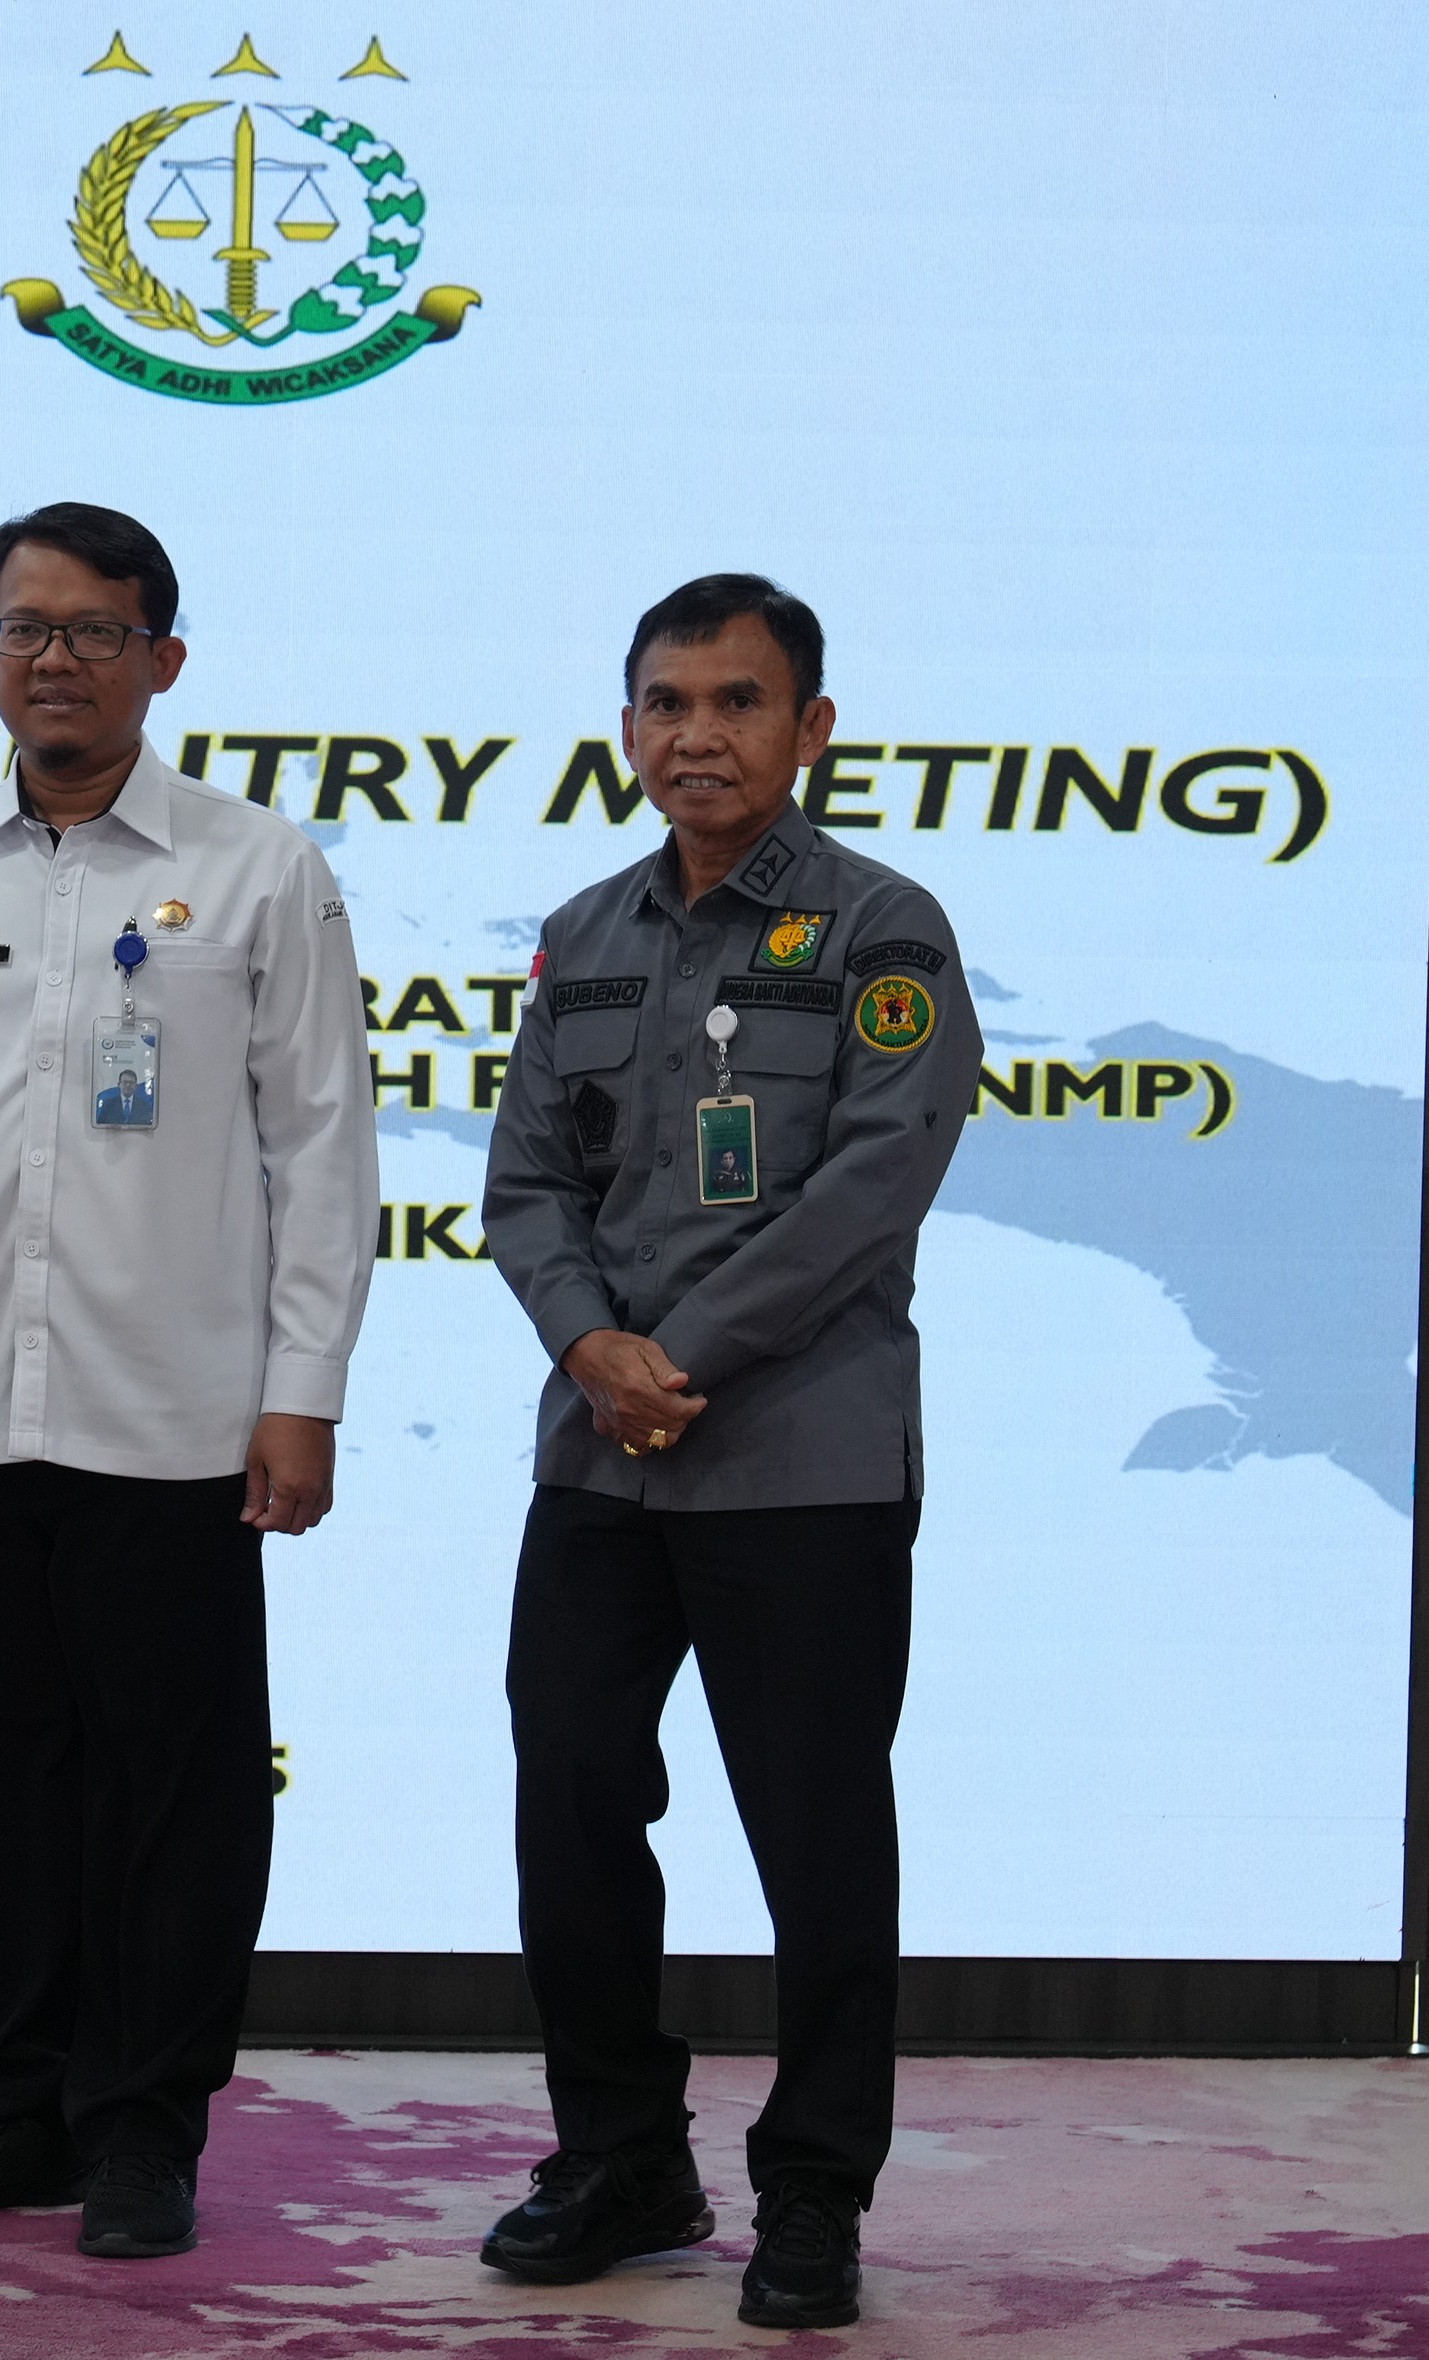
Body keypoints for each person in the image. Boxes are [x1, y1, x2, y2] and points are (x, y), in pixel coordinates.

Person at [0, 503, 373, 2259]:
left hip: (177, 1420)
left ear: (163, 662)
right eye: (26, 629)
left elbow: (322, 1146)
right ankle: (6, 2110)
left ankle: (142, 2129)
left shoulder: (259, 867)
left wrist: (305, 1386)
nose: (57, 659)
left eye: (97, 632)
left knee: (173, 1803)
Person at [471, 574, 980, 2330]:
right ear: (628, 728)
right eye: (667, 702)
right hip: (599, 1464)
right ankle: (620, 2154)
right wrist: (589, 1345)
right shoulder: (585, 932)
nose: (698, 734)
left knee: (819, 1839)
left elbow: (869, 1191)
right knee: (571, 1807)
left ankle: (816, 2192)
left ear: (811, 728)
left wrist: (679, 1351)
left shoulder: (881, 933)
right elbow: (526, 1181)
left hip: (803, 1466)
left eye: (739, 702)